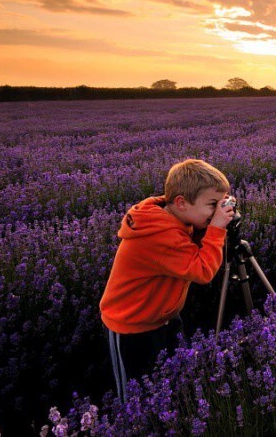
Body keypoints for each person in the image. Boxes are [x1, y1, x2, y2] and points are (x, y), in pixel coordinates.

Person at [99, 159, 234, 403]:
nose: (218, 211)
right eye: (212, 204)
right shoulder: (161, 236)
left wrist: (209, 220)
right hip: (133, 326)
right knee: (136, 399)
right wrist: (216, 231)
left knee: (170, 383)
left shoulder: (174, 216)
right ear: (181, 202)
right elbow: (202, 271)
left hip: (164, 317)